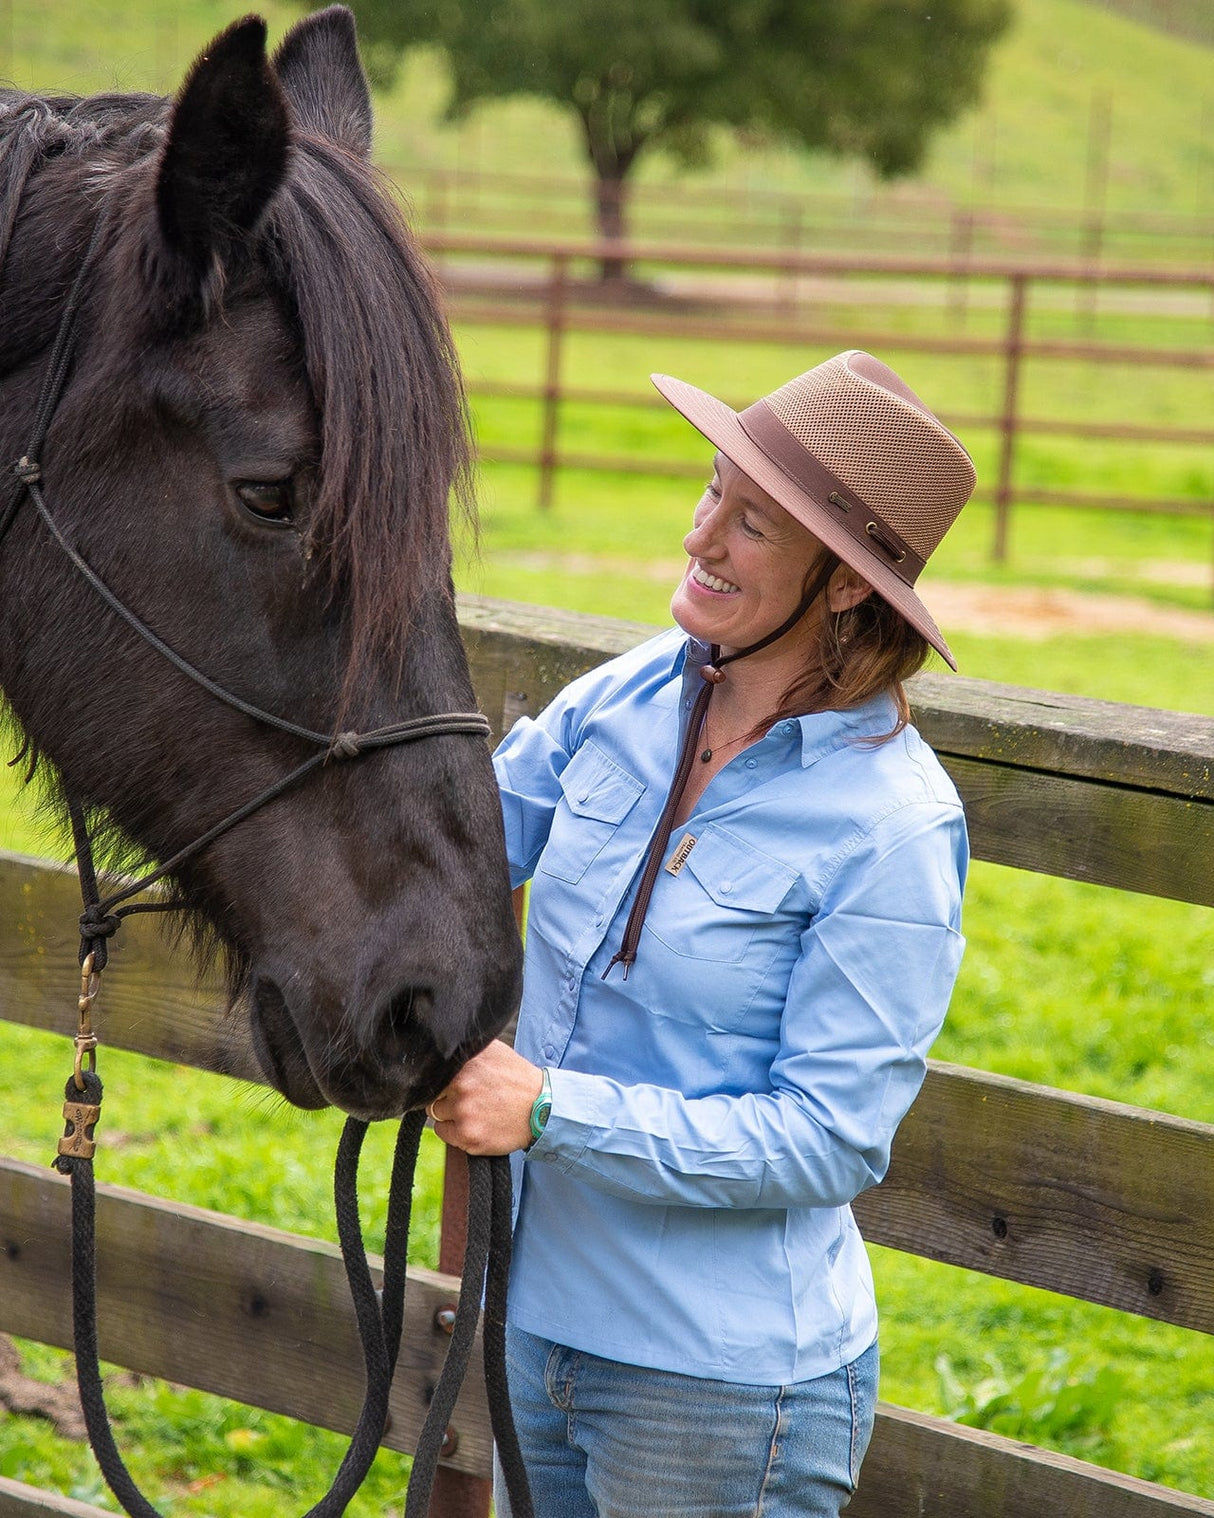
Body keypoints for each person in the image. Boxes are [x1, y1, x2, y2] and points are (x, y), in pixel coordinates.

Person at [426, 350, 974, 1517]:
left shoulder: (889, 826)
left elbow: (829, 1140)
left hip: (718, 1393)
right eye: (710, 490)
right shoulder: (621, 699)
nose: (702, 539)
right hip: (532, 1330)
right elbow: (449, 855)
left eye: (754, 526)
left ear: (841, 585)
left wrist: (550, 1112)